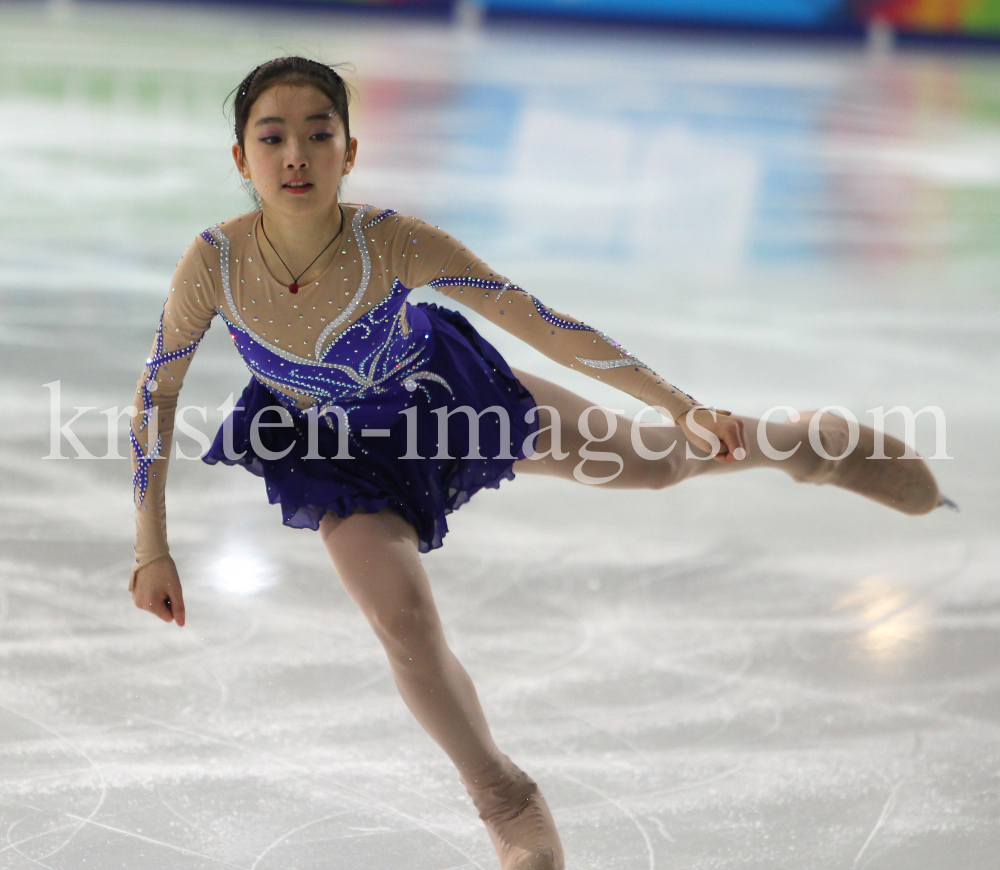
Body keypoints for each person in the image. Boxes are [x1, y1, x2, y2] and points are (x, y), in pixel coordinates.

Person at [128, 57, 950, 870]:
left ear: (352, 149)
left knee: (659, 464)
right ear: (242, 158)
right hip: (337, 457)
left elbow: (544, 324)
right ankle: (503, 797)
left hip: (453, 402)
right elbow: (157, 394)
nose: (296, 155)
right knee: (402, 619)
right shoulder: (216, 263)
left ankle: (802, 445)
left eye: (319, 133)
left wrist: (679, 403)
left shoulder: (397, 242)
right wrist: (151, 547)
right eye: (272, 137)